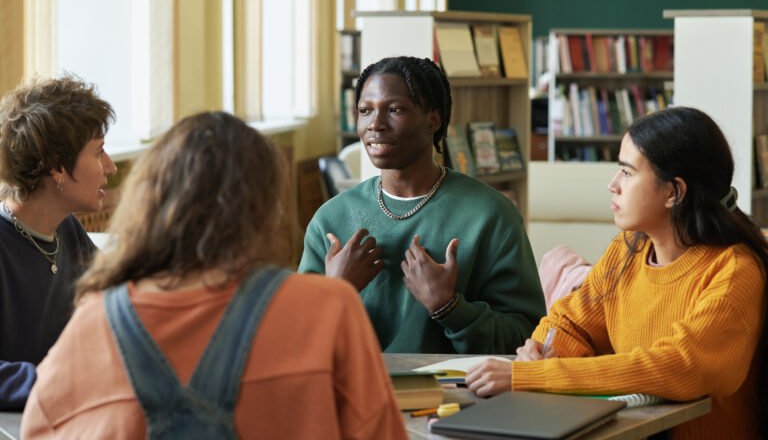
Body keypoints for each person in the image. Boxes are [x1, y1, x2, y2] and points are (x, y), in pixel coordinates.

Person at [21, 112, 406, 439]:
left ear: (150, 204)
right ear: (266, 208)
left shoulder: (96, 320)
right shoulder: (329, 307)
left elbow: (39, 428)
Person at [465, 107, 768, 440]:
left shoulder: (735, 271)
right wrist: (543, 350)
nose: (612, 185)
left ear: (673, 192)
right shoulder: (630, 248)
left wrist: (532, 377)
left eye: (627, 172)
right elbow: (571, 321)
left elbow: (682, 366)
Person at [299, 56, 545, 354]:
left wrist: (449, 307)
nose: (375, 124)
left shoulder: (490, 216)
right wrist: (335, 292)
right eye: (365, 111)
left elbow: (526, 338)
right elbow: (300, 341)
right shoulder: (331, 220)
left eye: (395, 110)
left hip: (460, 396)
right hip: (354, 393)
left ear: (433, 119)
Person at [0, 76, 117, 409]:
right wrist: (69, 381)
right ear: (56, 168)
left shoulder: (67, 230)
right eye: (98, 152)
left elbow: (112, 300)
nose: (109, 167)